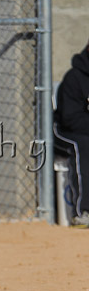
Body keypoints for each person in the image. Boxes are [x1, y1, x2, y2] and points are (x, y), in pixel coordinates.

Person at [54, 41, 89, 227]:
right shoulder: (74, 78)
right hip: (65, 131)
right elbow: (70, 119)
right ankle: (83, 212)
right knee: (83, 145)